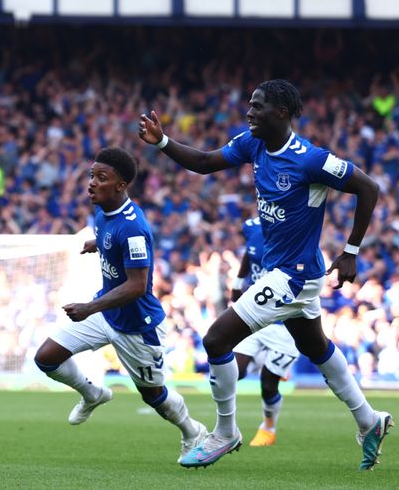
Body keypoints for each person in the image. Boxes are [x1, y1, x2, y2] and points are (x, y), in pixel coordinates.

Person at [138, 79, 392, 470]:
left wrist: (351, 251)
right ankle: (369, 421)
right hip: (286, 273)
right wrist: (162, 143)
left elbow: (369, 187)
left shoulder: (311, 159)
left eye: (258, 107)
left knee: (217, 338)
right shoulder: (253, 144)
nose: (249, 112)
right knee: (317, 349)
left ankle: (224, 433)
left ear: (282, 113)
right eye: (250, 106)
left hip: (294, 276)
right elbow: (205, 163)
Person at [34, 147, 207, 463]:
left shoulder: (133, 227)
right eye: (92, 175)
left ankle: (191, 430)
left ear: (121, 185)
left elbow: (137, 286)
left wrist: (89, 307)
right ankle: (93, 394)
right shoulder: (102, 210)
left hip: (138, 327)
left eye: (102, 177)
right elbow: (110, 237)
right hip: (107, 314)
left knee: (154, 396)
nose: (92, 183)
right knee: (46, 358)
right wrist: (97, 243)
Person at [229, 216, 299, 447]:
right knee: (232, 372)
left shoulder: (296, 227)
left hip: (283, 322)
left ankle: (268, 427)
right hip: (255, 311)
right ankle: (225, 430)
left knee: (268, 385)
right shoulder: (251, 226)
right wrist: (238, 283)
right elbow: (249, 255)